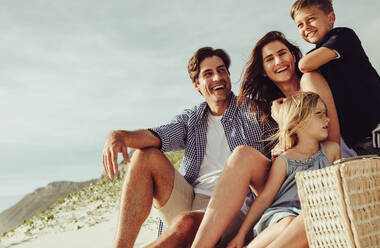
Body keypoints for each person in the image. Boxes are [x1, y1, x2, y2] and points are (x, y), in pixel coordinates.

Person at [101, 47, 277, 248]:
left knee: (187, 223)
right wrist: (119, 135)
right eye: (208, 74)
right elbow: (157, 135)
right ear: (197, 85)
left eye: (222, 71)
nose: (217, 78)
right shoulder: (192, 119)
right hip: (192, 199)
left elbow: (285, 137)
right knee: (145, 156)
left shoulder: (255, 111)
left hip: (235, 207)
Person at [191, 31, 339, 248]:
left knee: (304, 219)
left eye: (282, 53)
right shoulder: (267, 105)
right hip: (286, 185)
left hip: (319, 176)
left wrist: (284, 123)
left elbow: (329, 142)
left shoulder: (309, 82)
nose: (278, 62)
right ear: (263, 70)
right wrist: (281, 128)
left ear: (294, 55)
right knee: (242, 154)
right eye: (269, 59)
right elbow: (281, 154)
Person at [226, 92, 340, 248]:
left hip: (313, 217)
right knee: (291, 221)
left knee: (310, 218)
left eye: (325, 113)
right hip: (279, 218)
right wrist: (240, 235)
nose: (327, 119)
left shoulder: (331, 151)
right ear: (298, 122)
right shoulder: (284, 160)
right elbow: (265, 199)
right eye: (319, 114)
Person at [291, 0, 380, 155]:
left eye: (310, 19)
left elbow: (304, 65)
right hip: (356, 138)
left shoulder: (343, 36)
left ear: (331, 18)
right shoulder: (315, 57)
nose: (306, 27)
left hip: (375, 124)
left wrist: (299, 64)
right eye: (300, 25)